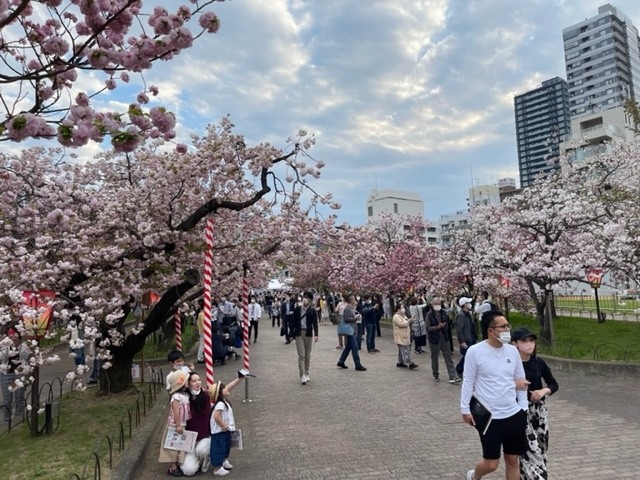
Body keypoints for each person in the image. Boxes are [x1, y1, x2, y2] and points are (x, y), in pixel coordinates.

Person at [460, 311, 529, 480]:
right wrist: (465, 409)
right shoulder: (475, 351)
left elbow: (521, 380)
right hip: (489, 417)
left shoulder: (513, 351)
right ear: (491, 331)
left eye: (508, 325)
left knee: (512, 460)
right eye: (503, 326)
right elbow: (468, 381)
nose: (507, 329)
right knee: (491, 464)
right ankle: (474, 476)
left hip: (513, 414)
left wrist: (523, 407)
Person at [511, 327, 559, 480]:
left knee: (541, 448)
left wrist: (543, 391)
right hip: (519, 412)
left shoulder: (538, 362)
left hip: (539, 412)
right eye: (524, 341)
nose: (529, 344)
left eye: (531, 340)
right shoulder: (510, 364)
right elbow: (498, 386)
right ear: (515, 343)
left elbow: (553, 384)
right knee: (531, 451)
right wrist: (515, 385)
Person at [209, 376, 245, 477]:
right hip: (219, 431)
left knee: (226, 447)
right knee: (219, 448)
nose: (227, 389)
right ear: (220, 393)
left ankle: (224, 461)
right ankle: (217, 467)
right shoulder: (220, 404)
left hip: (225, 431)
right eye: (224, 388)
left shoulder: (224, 401)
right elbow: (216, 416)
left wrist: (239, 379)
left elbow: (230, 386)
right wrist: (223, 424)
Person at [159, 370, 191, 477]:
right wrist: (178, 425)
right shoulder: (176, 396)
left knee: (180, 444)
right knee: (173, 445)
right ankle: (172, 466)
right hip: (175, 424)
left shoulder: (184, 394)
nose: (188, 382)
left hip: (183, 423)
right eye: (186, 381)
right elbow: (176, 411)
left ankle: (178, 463)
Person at [181, 372, 212, 476]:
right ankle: (196, 461)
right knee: (188, 471)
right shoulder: (184, 399)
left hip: (204, 437)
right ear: (188, 383)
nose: (197, 383)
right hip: (190, 440)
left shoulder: (205, 396)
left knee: (202, 450)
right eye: (194, 381)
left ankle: (206, 458)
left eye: (199, 380)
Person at [426, 297, 461, 384]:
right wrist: (438, 327)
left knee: (448, 357)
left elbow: (447, 325)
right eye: (436, 304)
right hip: (434, 340)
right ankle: (436, 374)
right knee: (435, 358)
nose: (437, 305)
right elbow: (428, 328)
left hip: (444, 338)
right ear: (432, 304)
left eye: (439, 304)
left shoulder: (444, 313)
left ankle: (453, 376)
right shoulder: (429, 315)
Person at [0, 328, 31, 423]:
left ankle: (19, 417)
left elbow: (25, 357)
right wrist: (7, 348)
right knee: (7, 399)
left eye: (15, 336)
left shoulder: (23, 346)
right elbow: (1, 358)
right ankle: (7, 419)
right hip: (6, 374)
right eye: (11, 336)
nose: (13, 338)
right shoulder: (4, 346)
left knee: (19, 397)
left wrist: (18, 347)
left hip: (20, 374)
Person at [290, 291, 319, 385]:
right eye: (305, 297)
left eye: (308, 298)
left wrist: (316, 335)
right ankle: (302, 374)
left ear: (311, 300)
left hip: (308, 333)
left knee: (307, 355)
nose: (306, 299)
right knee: (301, 354)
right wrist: (291, 334)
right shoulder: (297, 309)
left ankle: (306, 372)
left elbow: (315, 323)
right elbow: (293, 322)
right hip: (299, 333)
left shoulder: (312, 311)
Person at [336, 294, 367, 371]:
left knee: (348, 348)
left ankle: (341, 361)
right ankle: (357, 364)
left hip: (352, 330)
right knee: (355, 348)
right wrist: (355, 318)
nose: (355, 300)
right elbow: (346, 319)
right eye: (353, 299)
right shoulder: (347, 309)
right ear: (351, 300)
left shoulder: (352, 308)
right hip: (350, 331)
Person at [456, 296, 477, 378]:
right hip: (467, 339)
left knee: (471, 356)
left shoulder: (468, 314)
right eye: (468, 303)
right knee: (467, 356)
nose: (470, 304)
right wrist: (462, 341)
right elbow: (459, 329)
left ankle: (469, 371)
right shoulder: (461, 315)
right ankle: (459, 369)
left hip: (472, 337)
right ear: (464, 304)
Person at [392, 302, 418, 369]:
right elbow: (402, 324)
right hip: (400, 336)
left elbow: (406, 322)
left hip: (405, 335)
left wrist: (411, 320)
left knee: (401, 351)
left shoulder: (403, 315)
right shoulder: (396, 316)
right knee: (405, 350)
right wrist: (409, 321)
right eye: (402, 308)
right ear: (398, 309)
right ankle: (410, 363)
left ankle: (400, 362)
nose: (403, 309)